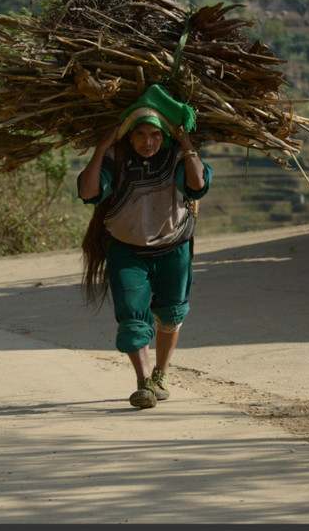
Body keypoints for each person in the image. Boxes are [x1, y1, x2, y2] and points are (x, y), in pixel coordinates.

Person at [78, 84, 212, 409]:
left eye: (154, 134)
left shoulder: (175, 155)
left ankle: (161, 375)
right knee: (131, 316)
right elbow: (87, 192)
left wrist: (185, 143)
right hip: (127, 251)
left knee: (170, 313)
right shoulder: (118, 158)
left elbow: (197, 185)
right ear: (130, 137)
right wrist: (101, 149)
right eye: (140, 135)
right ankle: (143, 382)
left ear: (163, 137)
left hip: (173, 247)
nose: (148, 142)